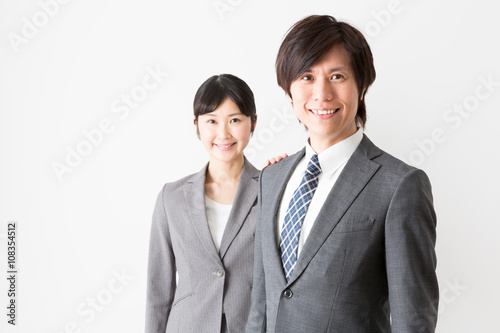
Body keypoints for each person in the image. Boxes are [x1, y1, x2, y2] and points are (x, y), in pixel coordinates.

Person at [246, 15, 438, 333]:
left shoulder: (400, 185)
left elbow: (413, 320)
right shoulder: (272, 178)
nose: (322, 94)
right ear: (288, 90)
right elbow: (261, 306)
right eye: (306, 77)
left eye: (337, 76)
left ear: (361, 86)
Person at [146, 74, 260, 333]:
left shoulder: (273, 189)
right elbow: (158, 293)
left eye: (235, 120)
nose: (223, 133)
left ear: (253, 122)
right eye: (211, 121)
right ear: (197, 125)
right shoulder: (171, 198)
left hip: (251, 325)